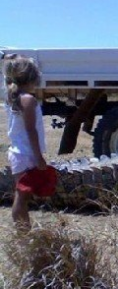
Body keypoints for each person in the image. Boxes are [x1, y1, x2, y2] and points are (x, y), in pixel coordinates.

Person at [2, 53, 48, 232]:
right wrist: (39, 157)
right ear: (32, 78)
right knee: (22, 196)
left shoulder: (13, 97)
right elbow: (31, 130)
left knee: (23, 195)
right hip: (26, 153)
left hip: (18, 152)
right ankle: (24, 234)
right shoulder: (28, 100)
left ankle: (24, 231)